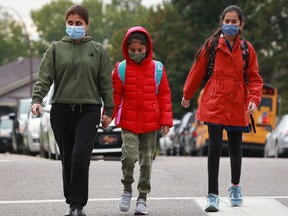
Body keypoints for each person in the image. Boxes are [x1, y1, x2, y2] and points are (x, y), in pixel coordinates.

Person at [30, 5, 114, 216]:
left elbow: (105, 82)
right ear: (66, 23)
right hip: (61, 110)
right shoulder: (56, 49)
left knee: (80, 156)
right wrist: (37, 100)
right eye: (70, 23)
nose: (74, 27)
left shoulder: (98, 50)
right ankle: (71, 201)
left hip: (89, 110)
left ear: (87, 25)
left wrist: (109, 110)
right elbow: (44, 77)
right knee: (67, 157)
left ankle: (78, 205)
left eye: (79, 23)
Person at [181, 5, 263, 212]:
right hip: (215, 100)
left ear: (241, 25)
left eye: (234, 22)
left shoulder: (247, 49)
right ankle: (212, 194)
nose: (229, 25)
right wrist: (186, 94)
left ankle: (235, 187)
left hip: (237, 103)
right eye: (226, 21)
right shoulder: (211, 46)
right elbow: (197, 71)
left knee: (235, 148)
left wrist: (254, 98)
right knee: (214, 148)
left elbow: (254, 78)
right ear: (222, 22)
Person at [112, 26, 173, 215]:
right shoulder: (121, 69)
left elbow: (164, 95)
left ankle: (142, 198)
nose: (136, 54)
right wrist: (108, 115)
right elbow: (115, 96)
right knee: (129, 157)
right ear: (126, 49)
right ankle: (127, 189)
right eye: (132, 51)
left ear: (147, 48)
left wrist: (166, 120)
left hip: (150, 122)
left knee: (147, 162)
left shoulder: (158, 68)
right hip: (129, 121)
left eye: (140, 50)